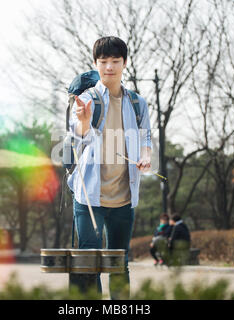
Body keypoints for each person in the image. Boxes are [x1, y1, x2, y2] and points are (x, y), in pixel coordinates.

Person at [67, 36, 152, 299]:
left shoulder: (138, 103)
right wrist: (83, 120)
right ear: (95, 63)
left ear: (124, 63)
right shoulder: (86, 99)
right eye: (103, 62)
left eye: (115, 61)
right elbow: (78, 135)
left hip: (123, 198)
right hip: (89, 197)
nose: (109, 67)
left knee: (119, 264)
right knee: (89, 263)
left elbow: (146, 138)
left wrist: (146, 157)